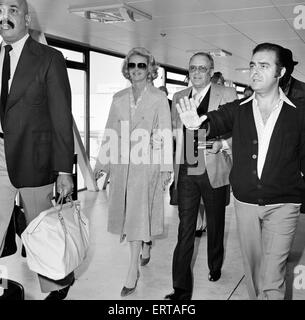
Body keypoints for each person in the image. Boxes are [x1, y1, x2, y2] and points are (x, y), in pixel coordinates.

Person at [176, 42, 305, 300]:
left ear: (280, 73)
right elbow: (215, 119)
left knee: (272, 274)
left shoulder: (299, 114)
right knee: (255, 269)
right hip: (245, 201)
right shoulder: (240, 108)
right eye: (252, 66)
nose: (255, 72)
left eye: (264, 66)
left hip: (284, 203)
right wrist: (197, 124)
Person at [0, 0, 74, 300]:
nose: (5, 16)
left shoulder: (48, 58)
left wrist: (65, 170)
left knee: (42, 234)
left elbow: (60, 117)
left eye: (12, 10)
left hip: (35, 159)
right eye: (0, 10)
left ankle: (57, 288)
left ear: (26, 18)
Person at [94, 47, 173, 297]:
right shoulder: (118, 98)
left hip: (146, 164)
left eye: (141, 66)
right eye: (132, 65)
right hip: (121, 165)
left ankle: (132, 270)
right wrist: (101, 165)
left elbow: (164, 134)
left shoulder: (159, 98)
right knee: (129, 214)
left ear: (150, 70)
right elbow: (110, 132)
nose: (136, 70)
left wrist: (164, 169)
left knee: (138, 213)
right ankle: (145, 243)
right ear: (127, 69)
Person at [165, 52, 237, 300]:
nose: (196, 73)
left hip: (213, 168)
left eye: (202, 68)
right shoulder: (178, 97)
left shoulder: (226, 94)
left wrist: (223, 145)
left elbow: (237, 129)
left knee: (215, 224)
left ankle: (214, 265)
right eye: (192, 68)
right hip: (187, 170)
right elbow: (177, 133)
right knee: (185, 229)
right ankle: (180, 289)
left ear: (211, 70)